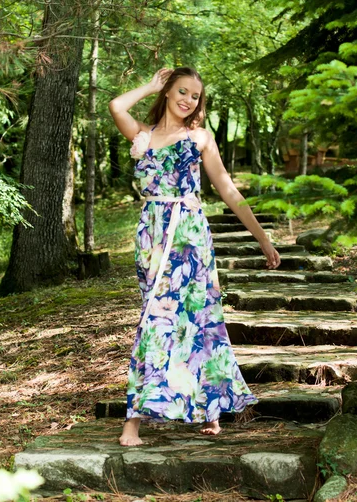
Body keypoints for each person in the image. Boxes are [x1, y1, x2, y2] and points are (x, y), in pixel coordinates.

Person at [109, 66, 281, 447]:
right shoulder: (144, 136)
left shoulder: (200, 138)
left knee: (191, 319)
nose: (188, 100)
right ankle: (204, 409)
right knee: (160, 318)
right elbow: (116, 105)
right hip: (151, 236)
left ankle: (141, 422)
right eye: (182, 91)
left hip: (188, 236)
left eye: (195, 96)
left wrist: (264, 240)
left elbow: (228, 190)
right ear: (169, 92)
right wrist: (150, 84)